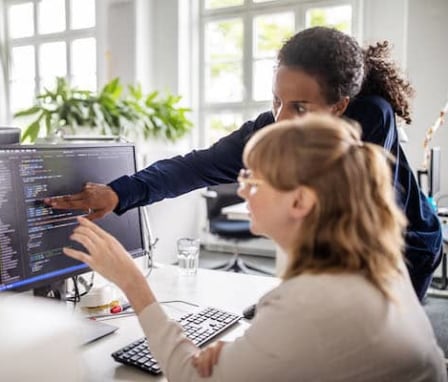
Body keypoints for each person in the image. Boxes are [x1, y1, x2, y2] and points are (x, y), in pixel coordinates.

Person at [46, 26, 442, 300]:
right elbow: (197, 166)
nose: (282, 118)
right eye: (277, 100)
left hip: (407, 246)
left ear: (339, 106)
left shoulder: (370, 116)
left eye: (300, 107)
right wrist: (118, 193)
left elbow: (352, 218)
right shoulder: (274, 126)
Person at [63, 114, 447, 381]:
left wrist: (131, 281)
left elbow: (188, 375)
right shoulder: (370, 264)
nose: (241, 188)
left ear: (300, 202)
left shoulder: (313, 302)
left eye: (253, 178)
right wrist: (245, 355)